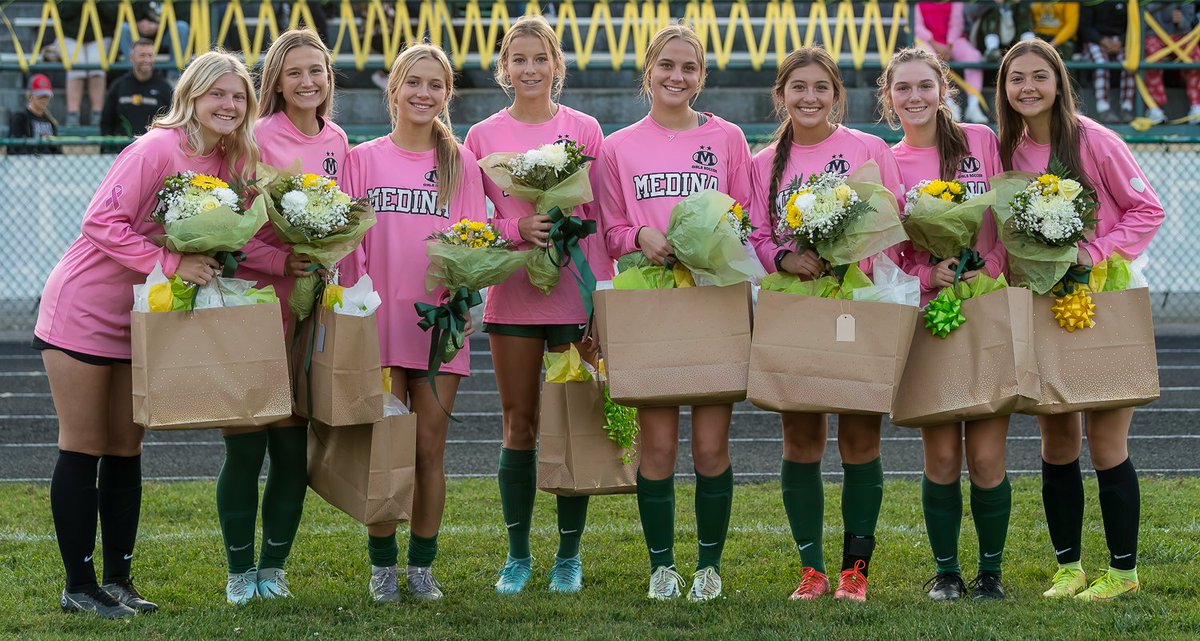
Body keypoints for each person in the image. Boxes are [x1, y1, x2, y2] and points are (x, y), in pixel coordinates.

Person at [33, 50, 258, 619]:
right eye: (218, 93)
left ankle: (119, 581)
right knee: (83, 443)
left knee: (127, 447)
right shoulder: (158, 147)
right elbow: (98, 222)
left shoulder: (229, 161)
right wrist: (172, 262)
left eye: (238, 96)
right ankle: (79, 588)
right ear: (193, 95)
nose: (228, 104)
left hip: (144, 312)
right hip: (84, 306)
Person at [996, 38, 1164, 602]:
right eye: (1016, 78)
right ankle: (1069, 568)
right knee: (1057, 439)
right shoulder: (1009, 150)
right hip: (1044, 302)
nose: (1027, 87)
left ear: (1059, 82)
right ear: (1004, 88)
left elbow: (1148, 209)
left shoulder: (1095, 140)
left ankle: (1122, 571)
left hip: (1101, 299)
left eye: (1039, 76)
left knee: (1106, 442)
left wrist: (1092, 254)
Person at [745, 45, 906, 603]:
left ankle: (854, 572)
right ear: (782, 96)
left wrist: (850, 253)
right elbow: (754, 234)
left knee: (861, 439)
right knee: (802, 438)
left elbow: (895, 217)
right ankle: (811, 569)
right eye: (798, 88)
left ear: (836, 95)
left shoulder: (868, 148)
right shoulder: (762, 163)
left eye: (821, 88)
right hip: (794, 307)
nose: (809, 98)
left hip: (856, 307)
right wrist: (783, 259)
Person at [597, 22, 750, 603]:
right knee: (657, 445)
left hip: (713, 299)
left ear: (702, 76)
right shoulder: (618, 146)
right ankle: (662, 566)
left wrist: (713, 242)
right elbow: (609, 232)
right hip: (651, 301)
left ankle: (708, 567)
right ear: (648, 72)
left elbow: (746, 222)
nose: (677, 77)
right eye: (666, 66)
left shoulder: (729, 139)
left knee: (712, 446)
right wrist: (641, 234)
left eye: (689, 68)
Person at [462, 15, 610, 595]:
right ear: (504, 69)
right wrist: (519, 225)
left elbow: (595, 222)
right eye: (518, 60)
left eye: (539, 58)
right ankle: (518, 555)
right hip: (512, 297)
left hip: (573, 296)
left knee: (572, 424)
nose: (529, 69)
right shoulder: (481, 136)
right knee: (518, 426)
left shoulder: (585, 129)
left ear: (556, 65)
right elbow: (474, 224)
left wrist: (599, 298)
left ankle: (568, 557)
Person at [340, 43, 486, 603]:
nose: (424, 94)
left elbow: (475, 244)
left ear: (446, 94)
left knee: (427, 450)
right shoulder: (363, 159)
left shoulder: (460, 162)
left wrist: (468, 299)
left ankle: (421, 568)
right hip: (377, 327)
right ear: (394, 87)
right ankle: (382, 569)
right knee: (384, 449)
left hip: (437, 330)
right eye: (414, 82)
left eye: (435, 85)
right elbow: (348, 247)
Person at [216, 29, 348, 606]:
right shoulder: (254, 137)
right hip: (254, 306)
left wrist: (330, 264)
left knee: (294, 449)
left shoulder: (339, 139)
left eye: (316, 71)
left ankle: (274, 567)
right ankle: (239, 571)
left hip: (311, 309)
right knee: (246, 446)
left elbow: (342, 222)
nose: (307, 82)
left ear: (328, 77)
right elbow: (225, 229)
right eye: (294, 72)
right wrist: (278, 257)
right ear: (275, 80)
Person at [878, 47, 1012, 602]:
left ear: (943, 88)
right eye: (903, 88)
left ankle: (991, 574)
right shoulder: (888, 160)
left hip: (986, 304)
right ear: (889, 98)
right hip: (929, 311)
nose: (915, 97)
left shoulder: (980, 141)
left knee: (986, 455)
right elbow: (887, 246)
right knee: (942, 455)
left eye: (924, 86)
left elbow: (1005, 220)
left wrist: (989, 270)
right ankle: (948, 573)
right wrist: (928, 273)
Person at [914, 2, 989, 123]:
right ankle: (947, 103)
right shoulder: (917, 3)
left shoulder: (955, 3)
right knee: (928, 58)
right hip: (927, 42)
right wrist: (935, 44)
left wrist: (949, 44)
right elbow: (917, 26)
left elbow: (957, 24)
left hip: (953, 42)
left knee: (973, 56)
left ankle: (973, 105)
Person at [57, 2, 120, 127]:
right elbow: (62, 11)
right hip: (70, 36)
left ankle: (97, 114)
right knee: (76, 65)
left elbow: (114, 14)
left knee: (96, 64)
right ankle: (73, 115)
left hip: (100, 36)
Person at [100, 39, 174, 137]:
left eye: (150, 55)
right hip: (122, 149)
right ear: (131, 58)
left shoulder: (164, 88)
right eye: (142, 55)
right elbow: (106, 122)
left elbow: (172, 123)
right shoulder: (118, 86)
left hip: (152, 148)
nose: (147, 60)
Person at [1142, 2, 1200, 125]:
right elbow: (1140, 19)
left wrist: (1181, 21)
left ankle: (1196, 106)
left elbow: (1189, 20)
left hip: (1181, 35)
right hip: (1153, 34)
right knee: (1151, 55)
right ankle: (1154, 108)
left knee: (1196, 55)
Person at [1079, 0, 1134, 123]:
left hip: (1121, 41)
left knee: (1130, 63)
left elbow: (1133, 24)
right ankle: (1104, 109)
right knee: (1101, 63)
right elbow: (1084, 27)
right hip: (1095, 40)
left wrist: (1121, 40)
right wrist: (1101, 40)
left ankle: (1127, 108)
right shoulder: (1091, 3)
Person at [8, 73, 60, 155]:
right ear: (30, 95)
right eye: (40, 95)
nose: (44, 99)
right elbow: (14, 148)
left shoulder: (50, 121)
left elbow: (57, 152)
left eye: (46, 96)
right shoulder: (20, 117)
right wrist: (40, 142)